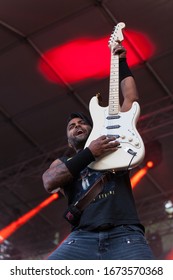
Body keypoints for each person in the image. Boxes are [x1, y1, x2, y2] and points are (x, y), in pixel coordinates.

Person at [42, 44, 154, 260]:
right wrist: (90, 154)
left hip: (126, 234)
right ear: (68, 138)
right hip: (81, 237)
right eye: (71, 126)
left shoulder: (113, 146)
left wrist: (121, 62)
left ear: (93, 129)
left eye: (82, 123)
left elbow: (130, 99)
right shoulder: (65, 161)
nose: (77, 126)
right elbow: (49, 181)